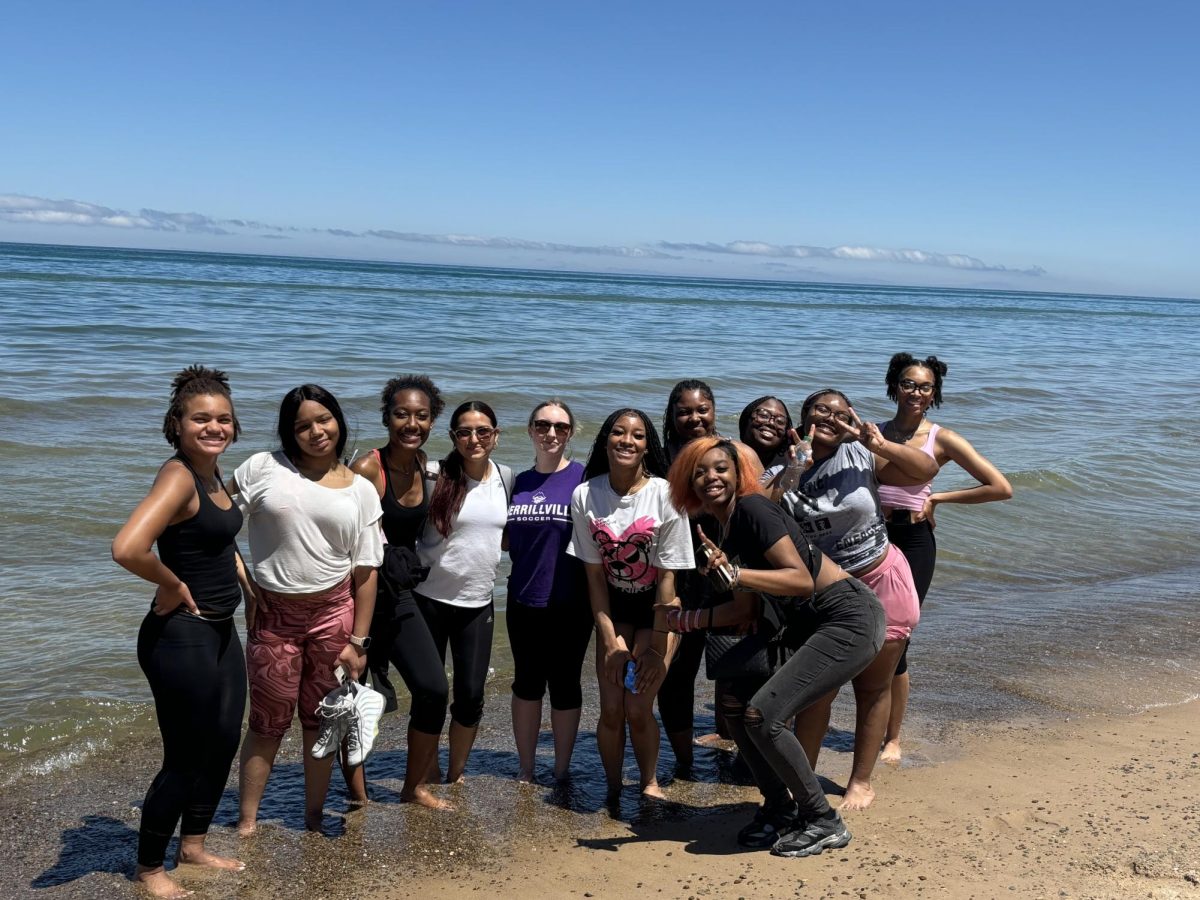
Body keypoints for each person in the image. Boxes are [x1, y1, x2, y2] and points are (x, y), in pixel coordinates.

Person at [665, 437, 885, 856]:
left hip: (847, 618)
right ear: (686, 482)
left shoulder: (752, 508)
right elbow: (743, 607)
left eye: (720, 468)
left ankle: (822, 819)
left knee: (764, 715)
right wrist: (685, 620)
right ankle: (780, 809)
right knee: (735, 706)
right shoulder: (724, 527)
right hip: (809, 626)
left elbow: (799, 579)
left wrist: (735, 573)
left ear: (738, 474)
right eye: (699, 471)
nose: (710, 477)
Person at [112, 366, 250, 898]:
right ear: (177, 424)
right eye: (201, 419)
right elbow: (128, 547)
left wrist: (251, 588)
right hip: (181, 635)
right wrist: (171, 583)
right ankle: (149, 868)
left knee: (222, 741)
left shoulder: (212, 473)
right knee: (186, 754)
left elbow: (215, 542)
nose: (213, 427)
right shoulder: (177, 476)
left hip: (221, 630)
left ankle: (192, 844)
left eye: (223, 419)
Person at [231, 384, 383, 833]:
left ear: (338, 420)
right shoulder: (263, 467)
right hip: (273, 617)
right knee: (265, 723)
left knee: (321, 723)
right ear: (288, 432)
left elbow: (366, 572)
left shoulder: (361, 490)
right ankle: (247, 822)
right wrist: (245, 582)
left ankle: (313, 818)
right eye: (302, 426)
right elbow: (213, 521)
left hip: (334, 616)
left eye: (324, 420)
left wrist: (359, 641)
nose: (316, 432)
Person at [781, 389, 938, 811]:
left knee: (872, 687)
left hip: (881, 578)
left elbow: (926, 469)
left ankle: (861, 781)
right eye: (820, 409)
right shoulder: (786, 460)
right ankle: (803, 777)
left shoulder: (861, 455)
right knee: (816, 694)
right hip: (827, 593)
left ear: (851, 416)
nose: (830, 417)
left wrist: (877, 442)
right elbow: (760, 508)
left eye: (839, 411)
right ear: (804, 416)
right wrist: (793, 469)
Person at [877, 353, 1013, 764]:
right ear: (893, 386)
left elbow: (999, 486)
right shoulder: (874, 433)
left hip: (916, 540)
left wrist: (937, 498)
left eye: (924, 387)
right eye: (908, 383)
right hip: (873, 539)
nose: (915, 392)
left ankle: (893, 738)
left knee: (897, 640)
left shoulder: (943, 438)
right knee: (862, 631)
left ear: (934, 394)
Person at [567, 408, 694, 799]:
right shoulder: (586, 494)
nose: (627, 440)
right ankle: (612, 787)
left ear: (646, 446)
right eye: (618, 433)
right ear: (605, 440)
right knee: (610, 709)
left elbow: (669, 580)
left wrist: (657, 649)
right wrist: (607, 639)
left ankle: (649, 782)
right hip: (616, 608)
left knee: (638, 707)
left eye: (637, 435)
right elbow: (594, 576)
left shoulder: (666, 495)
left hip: (660, 608)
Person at [349, 374, 452, 808]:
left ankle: (414, 787)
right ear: (387, 417)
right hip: (357, 597)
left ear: (433, 421)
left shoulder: (426, 465)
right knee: (351, 697)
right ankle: (357, 795)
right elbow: (347, 540)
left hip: (399, 597)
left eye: (422, 416)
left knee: (433, 688)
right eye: (402, 414)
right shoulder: (368, 468)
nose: (412, 423)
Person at [415, 400, 513, 784]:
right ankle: (427, 768)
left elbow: (503, 537)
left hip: (478, 602)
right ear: (452, 437)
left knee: (470, 698)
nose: (474, 439)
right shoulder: (433, 475)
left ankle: (454, 774)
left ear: (496, 435)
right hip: (427, 601)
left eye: (483, 431)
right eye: (464, 432)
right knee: (430, 694)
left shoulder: (506, 476)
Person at [505, 400, 590, 781]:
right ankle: (525, 767)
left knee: (565, 684)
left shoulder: (584, 480)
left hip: (571, 602)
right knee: (526, 683)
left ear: (570, 433)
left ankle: (560, 769)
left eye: (560, 427)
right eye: (542, 425)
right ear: (530, 430)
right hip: (522, 599)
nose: (550, 433)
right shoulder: (516, 482)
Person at [658, 379, 719, 769]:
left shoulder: (728, 453)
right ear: (672, 415)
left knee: (735, 668)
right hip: (676, 577)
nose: (694, 418)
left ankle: (741, 742)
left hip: (726, 571)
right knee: (677, 674)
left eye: (702, 409)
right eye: (684, 411)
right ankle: (684, 761)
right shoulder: (659, 458)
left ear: (714, 410)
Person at [738, 396, 794, 472]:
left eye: (780, 421)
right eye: (763, 415)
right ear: (746, 420)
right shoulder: (728, 457)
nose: (771, 423)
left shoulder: (787, 467)